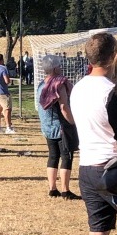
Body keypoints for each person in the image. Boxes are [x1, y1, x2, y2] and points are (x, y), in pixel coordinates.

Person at [70, 32, 117, 235]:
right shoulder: (110, 92)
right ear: (113, 56)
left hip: (87, 167)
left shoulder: (78, 88)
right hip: (112, 165)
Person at [37, 55, 80, 200]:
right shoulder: (58, 85)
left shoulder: (41, 84)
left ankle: (52, 188)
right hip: (60, 126)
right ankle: (65, 190)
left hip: (47, 127)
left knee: (53, 155)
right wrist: (73, 122)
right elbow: (64, 108)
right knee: (66, 156)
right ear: (55, 68)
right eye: (59, 66)